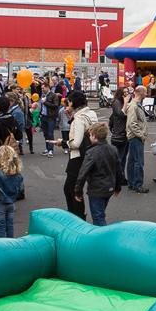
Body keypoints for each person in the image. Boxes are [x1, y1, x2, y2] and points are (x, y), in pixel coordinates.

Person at [56, 90, 97, 220]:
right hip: (89, 154)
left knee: (72, 190)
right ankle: (77, 216)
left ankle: (77, 218)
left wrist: (61, 142)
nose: (67, 105)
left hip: (77, 157)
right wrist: (71, 119)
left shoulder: (79, 118)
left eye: (68, 102)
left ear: (73, 102)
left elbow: (76, 143)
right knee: (72, 188)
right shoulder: (91, 114)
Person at [73, 122, 121, 226]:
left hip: (96, 189)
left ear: (94, 136)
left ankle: (102, 239)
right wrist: (118, 187)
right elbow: (118, 170)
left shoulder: (92, 152)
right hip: (109, 188)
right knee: (101, 213)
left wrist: (78, 191)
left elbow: (83, 173)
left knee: (98, 218)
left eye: (90, 135)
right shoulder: (113, 149)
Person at [0, 146, 23, 238]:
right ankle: (10, 244)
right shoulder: (16, 173)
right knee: (10, 225)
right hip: (11, 201)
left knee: (1, 226)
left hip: (0, 201)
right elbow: (21, 186)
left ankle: (2, 245)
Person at [126, 85, 150, 193]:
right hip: (136, 137)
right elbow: (132, 123)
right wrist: (141, 135)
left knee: (132, 160)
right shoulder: (134, 106)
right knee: (138, 161)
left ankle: (132, 183)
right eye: (145, 92)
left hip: (134, 136)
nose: (146, 94)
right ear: (141, 93)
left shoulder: (135, 105)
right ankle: (137, 184)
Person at [109, 86, 131, 185]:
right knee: (119, 157)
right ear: (120, 94)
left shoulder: (125, 103)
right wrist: (126, 102)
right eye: (125, 92)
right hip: (119, 133)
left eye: (127, 92)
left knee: (124, 156)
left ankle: (121, 176)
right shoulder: (117, 103)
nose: (127, 94)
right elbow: (121, 114)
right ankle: (117, 177)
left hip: (126, 133)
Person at [40, 82, 61, 157]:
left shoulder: (53, 95)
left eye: (43, 88)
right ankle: (47, 148)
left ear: (47, 87)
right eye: (41, 88)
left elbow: (55, 105)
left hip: (50, 117)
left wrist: (45, 103)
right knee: (45, 133)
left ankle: (51, 149)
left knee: (50, 133)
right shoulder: (43, 95)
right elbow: (41, 106)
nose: (42, 90)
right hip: (44, 116)